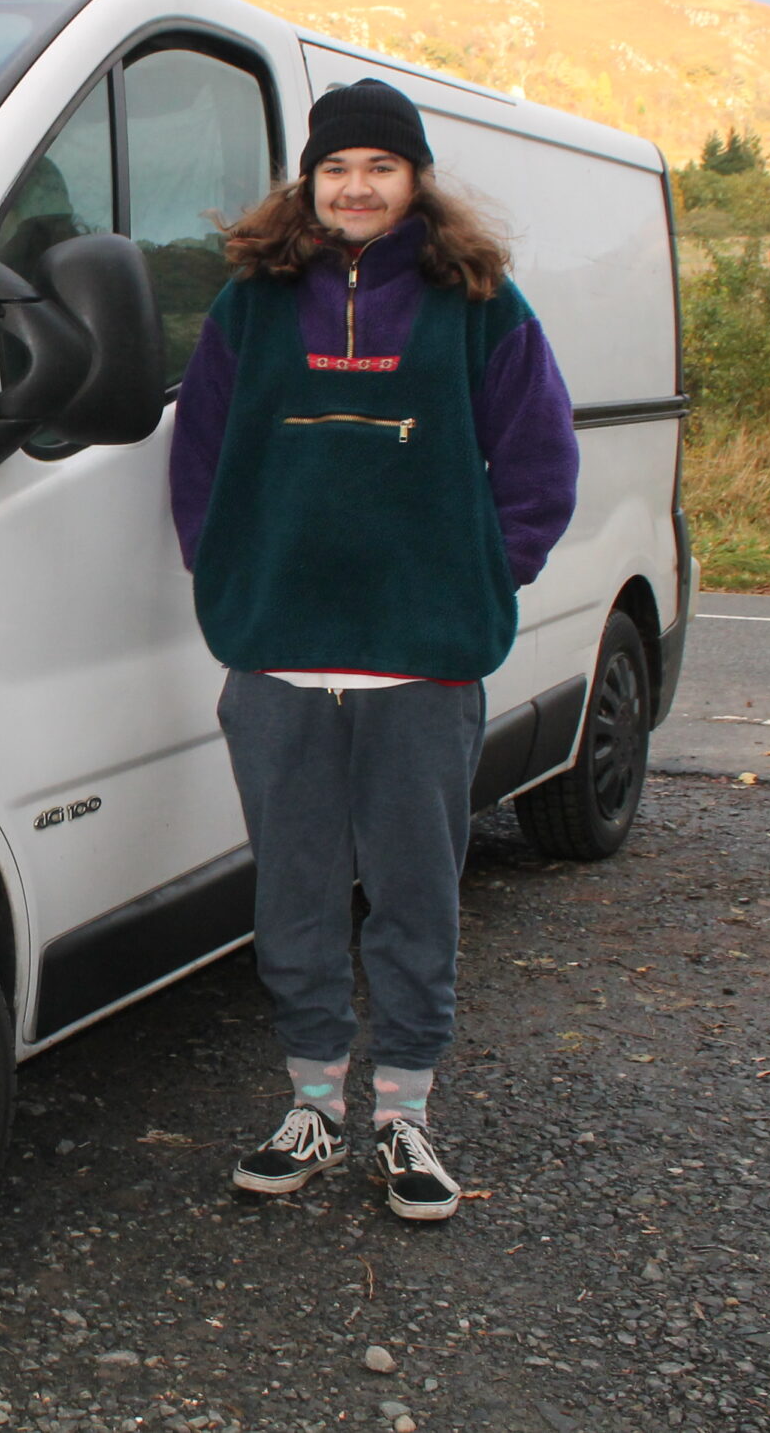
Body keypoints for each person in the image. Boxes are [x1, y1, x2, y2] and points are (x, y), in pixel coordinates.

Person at [167, 78, 578, 1220]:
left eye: (379, 168)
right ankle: (312, 1104)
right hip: (281, 655)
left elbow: (538, 461)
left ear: (415, 181)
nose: (355, 187)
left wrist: (487, 571)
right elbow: (198, 457)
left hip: (420, 657)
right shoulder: (250, 306)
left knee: (413, 897)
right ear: (309, 182)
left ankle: (404, 1117)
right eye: (336, 167)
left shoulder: (478, 303)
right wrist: (227, 570)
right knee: (294, 894)